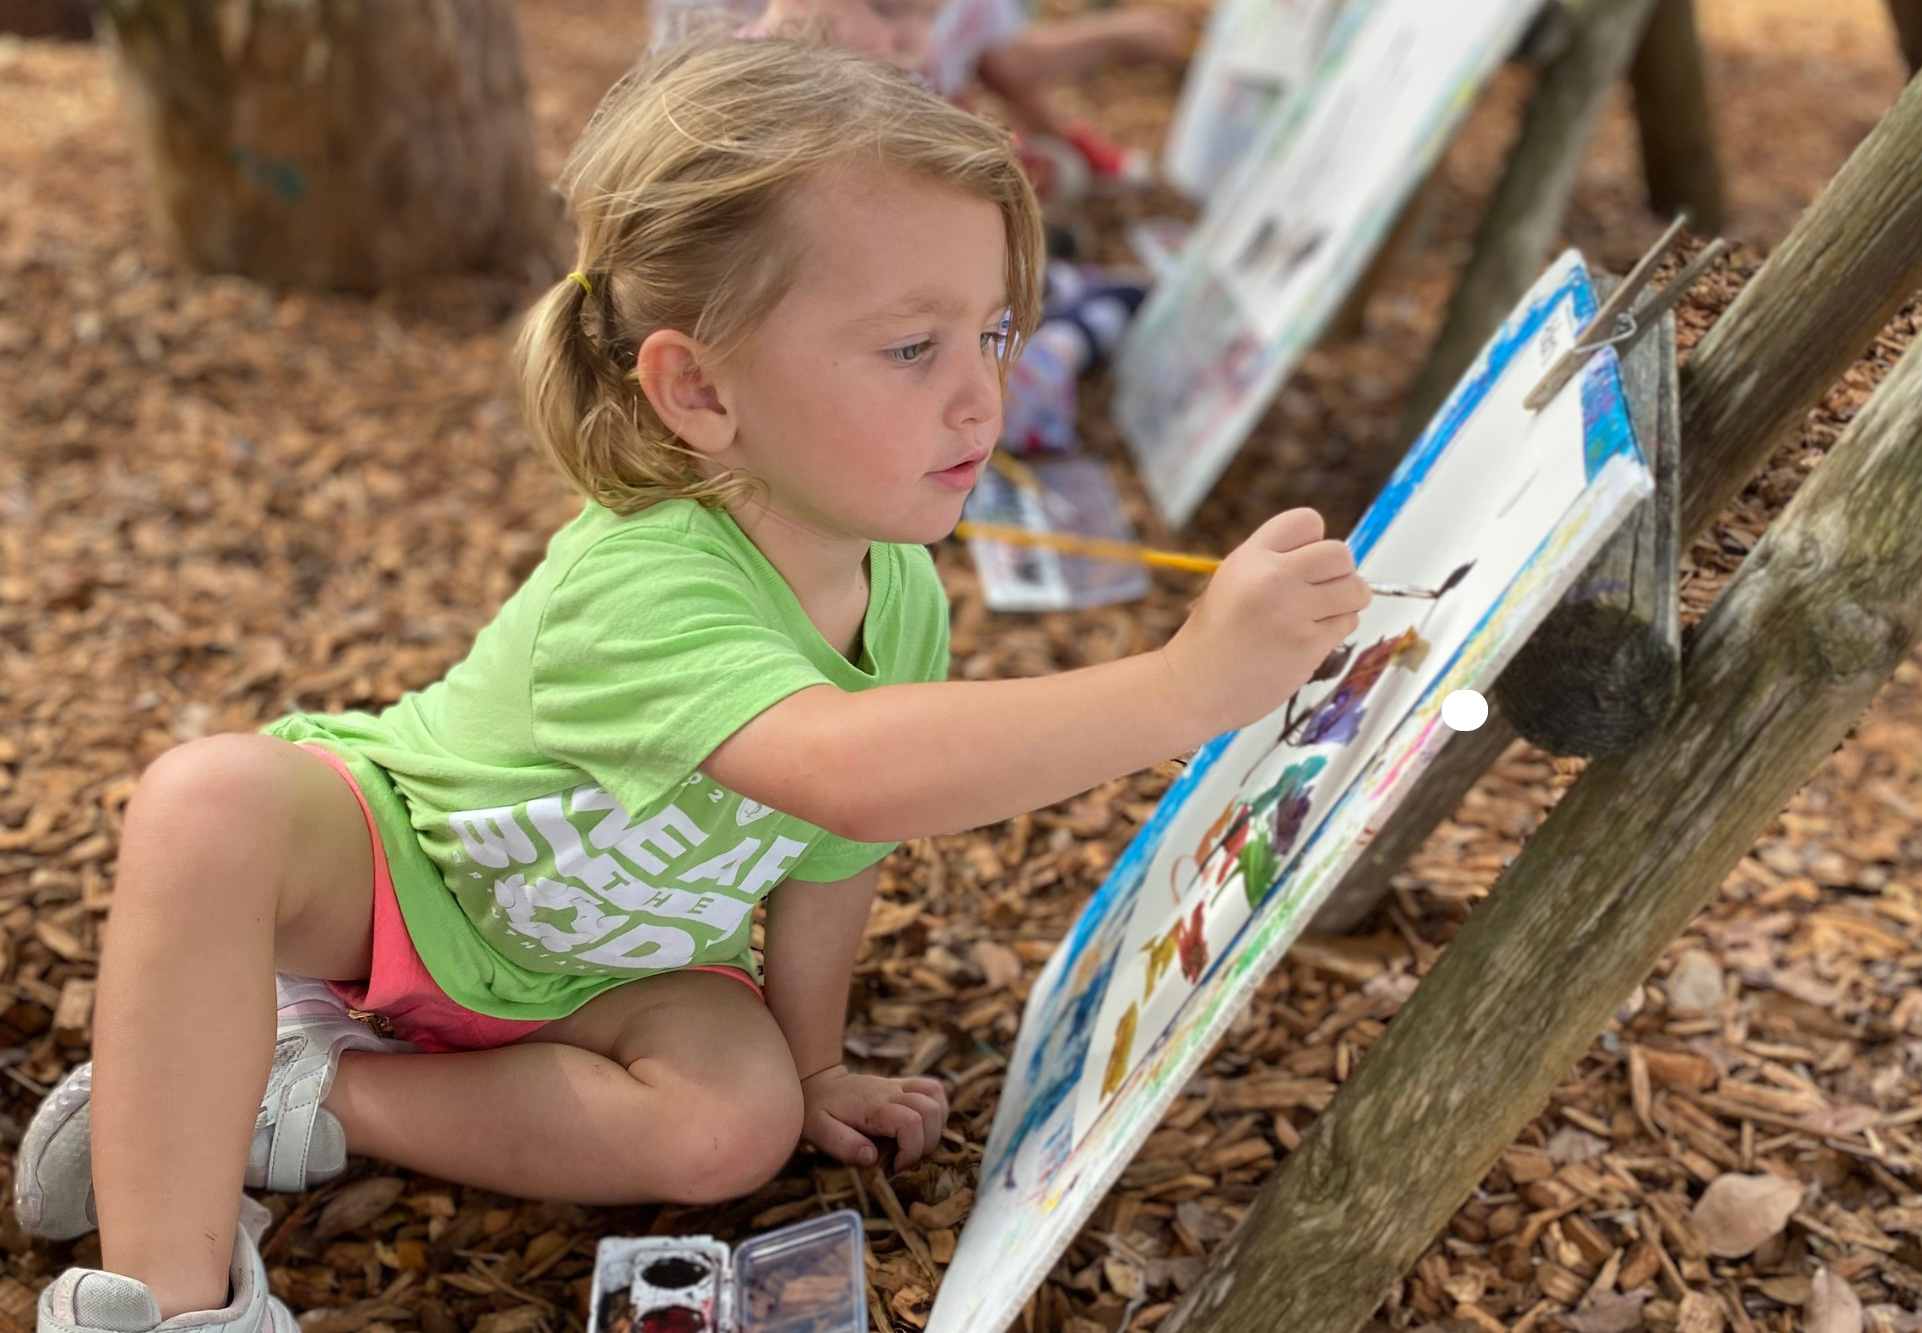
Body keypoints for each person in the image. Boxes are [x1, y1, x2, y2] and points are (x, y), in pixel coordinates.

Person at [19, 35, 1368, 1333]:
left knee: (735, 1127)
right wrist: (1189, 685)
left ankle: (290, 1090)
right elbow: (841, 764)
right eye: (914, 348)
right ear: (701, 391)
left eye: (997, 330)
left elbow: (837, 848)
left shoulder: (894, 590)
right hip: (404, 881)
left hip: (615, 969)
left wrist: (820, 1060)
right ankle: (171, 1290)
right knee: (211, 802)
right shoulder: (650, 575)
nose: (982, 396)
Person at [647, 0, 1188, 196]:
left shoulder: (879, 87)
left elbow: (1000, 57)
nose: (914, 39)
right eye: (885, 7)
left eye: (929, 16)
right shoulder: (738, 96)